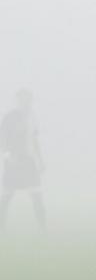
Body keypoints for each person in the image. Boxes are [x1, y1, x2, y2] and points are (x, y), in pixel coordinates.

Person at [0, 89, 45, 231]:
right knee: (7, 196)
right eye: (23, 99)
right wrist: (8, 155)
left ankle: (42, 229)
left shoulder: (32, 117)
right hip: (13, 161)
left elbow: (34, 139)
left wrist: (40, 160)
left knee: (37, 195)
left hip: (29, 162)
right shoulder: (9, 117)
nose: (26, 103)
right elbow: (3, 139)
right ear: (18, 100)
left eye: (29, 100)